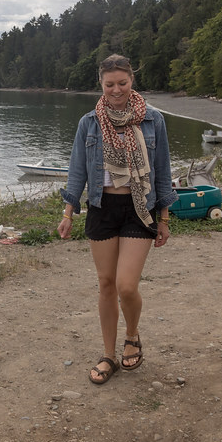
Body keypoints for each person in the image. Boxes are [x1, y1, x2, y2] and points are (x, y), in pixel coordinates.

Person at [57, 54, 176, 385]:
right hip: (101, 208)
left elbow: (163, 171)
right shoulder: (89, 123)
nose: (116, 90)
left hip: (140, 209)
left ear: (132, 81)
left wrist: (163, 217)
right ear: (101, 83)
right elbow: (77, 171)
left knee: (126, 285)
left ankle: (133, 335)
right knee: (106, 284)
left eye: (122, 83)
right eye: (110, 84)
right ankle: (108, 354)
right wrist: (68, 213)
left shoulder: (153, 120)